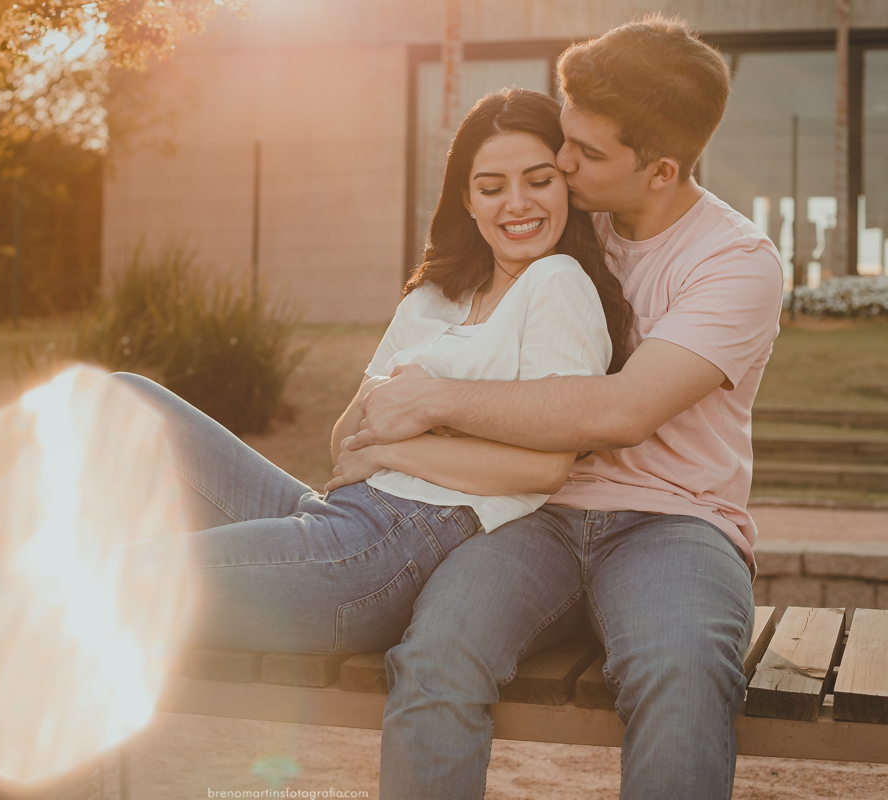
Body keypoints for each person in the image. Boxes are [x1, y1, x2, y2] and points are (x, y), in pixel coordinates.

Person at [0, 90, 634, 683]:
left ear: (566, 186)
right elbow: (345, 442)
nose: (520, 203)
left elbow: (543, 465)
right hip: (341, 514)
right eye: (494, 183)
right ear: (465, 196)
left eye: (539, 179)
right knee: (118, 400)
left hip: (385, 556)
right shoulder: (443, 290)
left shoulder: (560, 286)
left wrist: (399, 441)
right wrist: (383, 444)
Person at [358, 17, 784, 800]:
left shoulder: (735, 263)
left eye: (585, 153)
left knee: (684, 671)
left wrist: (436, 400)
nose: (559, 161)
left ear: (659, 171)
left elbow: (621, 411)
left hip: (673, 525)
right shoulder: (561, 213)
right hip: (530, 514)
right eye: (567, 134)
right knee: (437, 655)